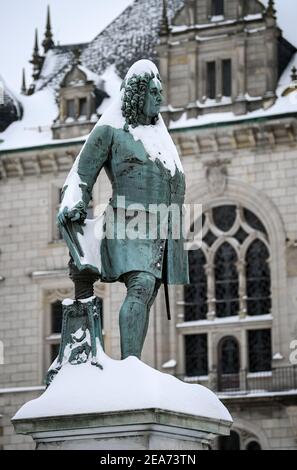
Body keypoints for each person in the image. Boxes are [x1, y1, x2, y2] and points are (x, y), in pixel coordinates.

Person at [58, 59, 189, 360]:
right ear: (137, 93)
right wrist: (74, 202)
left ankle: (134, 364)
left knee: (147, 293)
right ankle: (131, 366)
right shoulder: (111, 129)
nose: (160, 97)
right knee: (141, 285)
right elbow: (79, 174)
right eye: (154, 92)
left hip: (160, 228)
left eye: (161, 91)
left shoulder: (161, 139)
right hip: (126, 221)